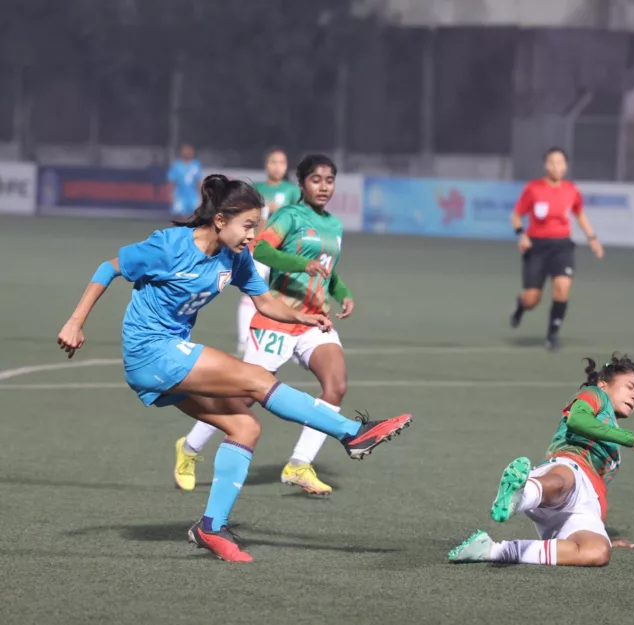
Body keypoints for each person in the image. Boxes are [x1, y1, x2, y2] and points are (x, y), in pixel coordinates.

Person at [57, 175, 412, 563]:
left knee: (246, 427)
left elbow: (265, 304)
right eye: (247, 226)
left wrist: (304, 317)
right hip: (151, 353)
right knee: (259, 380)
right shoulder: (169, 245)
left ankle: (210, 527)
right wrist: (75, 323)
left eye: (256, 226)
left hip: (170, 356)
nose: (252, 235)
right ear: (221, 219)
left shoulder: (237, 257)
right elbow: (109, 267)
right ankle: (352, 434)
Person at [176, 154, 360, 497]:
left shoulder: (333, 226)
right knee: (240, 398)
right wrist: (299, 263)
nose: (323, 186)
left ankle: (299, 464)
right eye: (316, 179)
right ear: (302, 183)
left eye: (329, 180)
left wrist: (343, 292)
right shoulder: (289, 217)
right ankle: (189, 450)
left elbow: (327, 270)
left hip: (313, 321)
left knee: (336, 385)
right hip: (278, 319)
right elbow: (259, 250)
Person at [448, 354, 634, 567]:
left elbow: (594, 489)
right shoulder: (595, 395)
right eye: (630, 387)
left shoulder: (612, 441)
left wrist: (600, 532)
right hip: (568, 468)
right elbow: (577, 420)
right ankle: (522, 494)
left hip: (585, 508)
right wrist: (633, 439)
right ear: (604, 385)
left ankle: (491, 551)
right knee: (564, 480)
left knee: (598, 551)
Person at [509, 148, 604, 351]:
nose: (556, 167)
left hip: (562, 246)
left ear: (566, 166)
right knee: (532, 299)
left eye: (560, 163)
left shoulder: (571, 190)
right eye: (552, 162)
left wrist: (593, 239)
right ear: (546, 165)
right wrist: (521, 234)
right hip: (537, 247)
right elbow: (516, 215)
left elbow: (579, 214)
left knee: (562, 288)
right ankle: (520, 306)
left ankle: (552, 336)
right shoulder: (533, 188)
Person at [236, 147, 303, 354]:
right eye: (273, 162)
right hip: (258, 249)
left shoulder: (292, 191)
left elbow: (300, 218)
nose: (277, 166)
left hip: (282, 252)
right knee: (251, 295)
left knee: (284, 294)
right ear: (266, 165)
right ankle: (243, 339)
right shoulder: (256, 189)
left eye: (281, 163)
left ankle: (285, 337)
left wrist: (280, 210)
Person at [167, 143, 203, 222]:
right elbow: (171, 182)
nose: (188, 152)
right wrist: (170, 195)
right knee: (179, 217)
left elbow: (198, 181)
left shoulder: (196, 165)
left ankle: (190, 233)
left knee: (194, 216)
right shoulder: (176, 165)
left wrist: (200, 196)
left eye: (189, 150)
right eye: (185, 150)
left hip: (193, 196)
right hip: (179, 196)